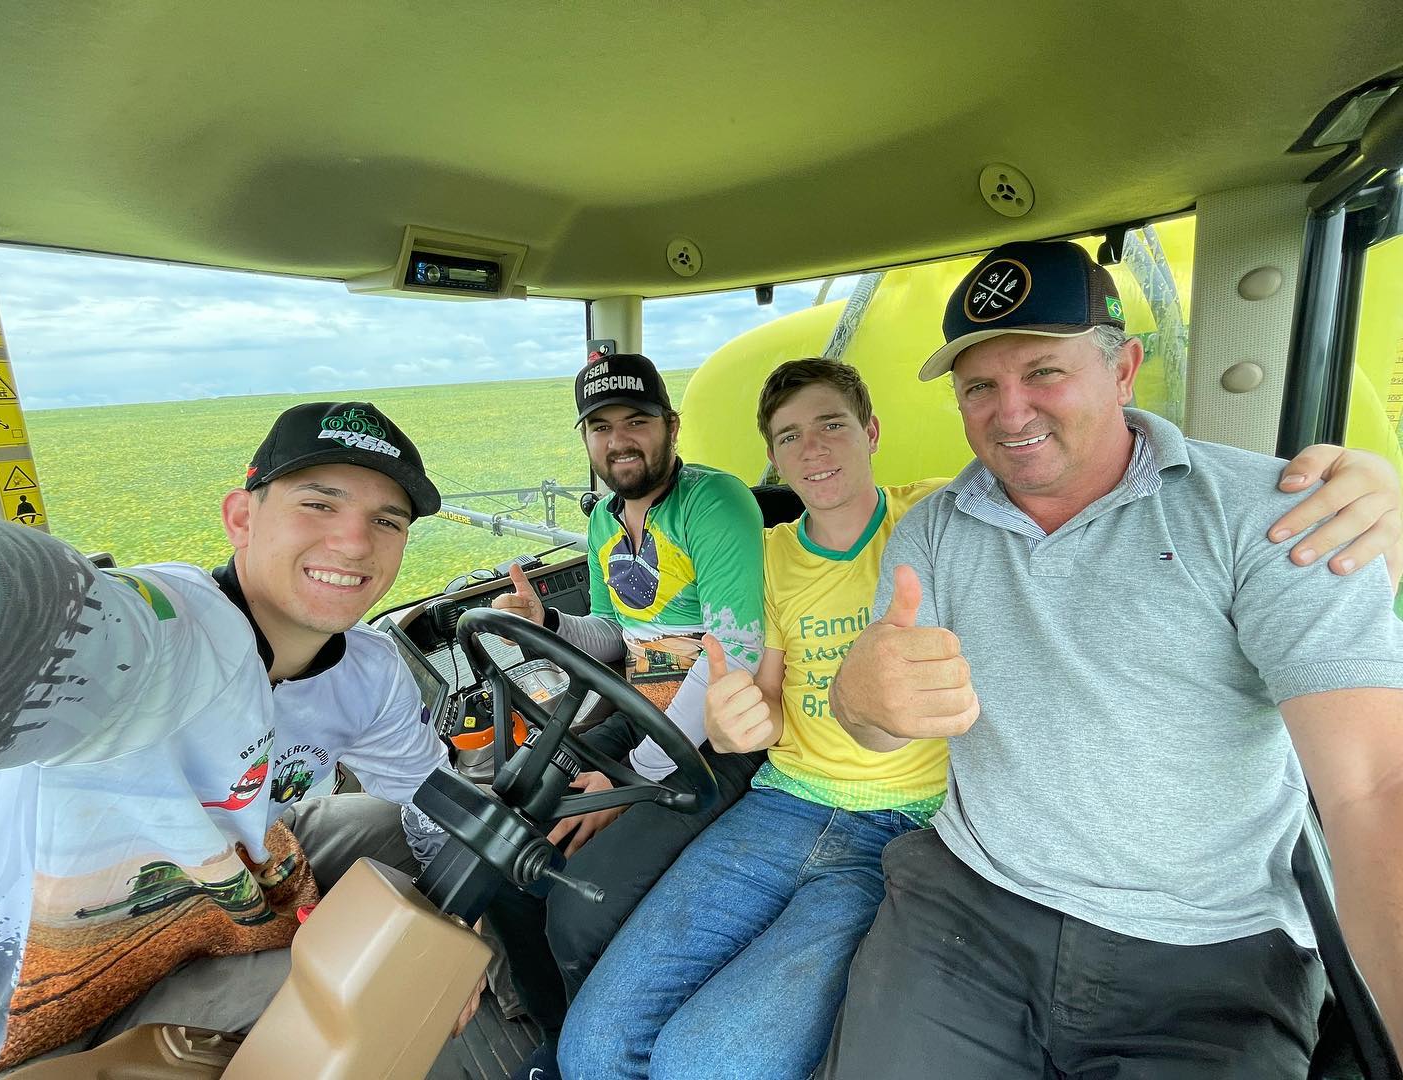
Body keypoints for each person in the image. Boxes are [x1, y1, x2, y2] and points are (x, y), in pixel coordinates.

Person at [558, 356, 1403, 1080]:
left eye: (832, 427)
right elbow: (766, 698)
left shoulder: (939, 513)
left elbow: (1075, 472)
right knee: (590, 1049)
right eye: (789, 437)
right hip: (784, 801)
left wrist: (1371, 483)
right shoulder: (778, 555)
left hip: (904, 822)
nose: (813, 451)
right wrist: (747, 719)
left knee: (703, 1063)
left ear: (873, 433)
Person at [818, 240, 1403, 1078]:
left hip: (1210, 949)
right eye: (979, 385)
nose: (1009, 410)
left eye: (1043, 372)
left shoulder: (1271, 514)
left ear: (1124, 368)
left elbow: (1376, 785)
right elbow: (873, 731)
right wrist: (859, 699)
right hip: (970, 907)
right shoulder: (934, 530)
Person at [0, 400, 477, 1078]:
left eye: (387, 521)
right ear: (241, 516)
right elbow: (63, 620)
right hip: (52, 1000)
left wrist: (464, 922)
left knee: (380, 827)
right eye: (319, 505)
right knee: (390, 982)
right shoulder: (174, 633)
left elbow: (426, 792)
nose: (355, 543)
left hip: (219, 893)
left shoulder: (368, 669)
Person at [450, 351, 768, 1080]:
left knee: (578, 911)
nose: (619, 439)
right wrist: (549, 622)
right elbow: (613, 634)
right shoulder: (601, 521)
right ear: (585, 439)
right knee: (499, 842)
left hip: (717, 739)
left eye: (637, 421)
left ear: (670, 426)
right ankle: (558, 1035)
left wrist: (629, 783)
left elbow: (734, 654)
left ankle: (598, 1054)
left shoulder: (714, 504)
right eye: (601, 426)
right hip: (637, 712)